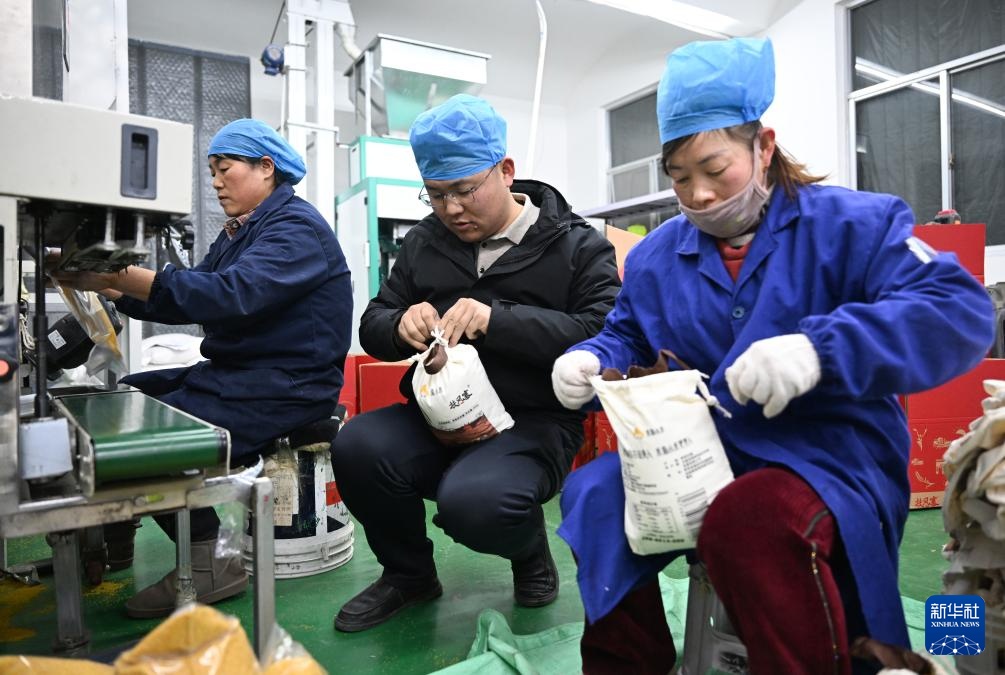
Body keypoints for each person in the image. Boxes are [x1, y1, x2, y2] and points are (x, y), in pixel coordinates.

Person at [551, 37, 995, 675]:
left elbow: (957, 309)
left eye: (715, 168)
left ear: (763, 146)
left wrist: (822, 349)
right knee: (593, 492)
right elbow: (628, 333)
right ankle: (630, 661)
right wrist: (594, 357)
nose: (699, 195)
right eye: (679, 177)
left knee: (751, 519)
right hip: (705, 450)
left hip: (830, 455)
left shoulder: (853, 225)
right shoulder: (655, 257)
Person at [331, 94, 621, 633]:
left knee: (477, 505)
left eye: (465, 190)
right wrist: (399, 325)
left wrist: (498, 320)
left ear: (505, 171)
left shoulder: (577, 246)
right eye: (436, 194)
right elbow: (374, 321)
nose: (451, 209)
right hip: (437, 415)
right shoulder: (425, 242)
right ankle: (409, 575)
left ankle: (528, 549)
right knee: (357, 446)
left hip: (532, 422)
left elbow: (603, 333)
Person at [53, 119, 353, 618]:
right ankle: (115, 533)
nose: (215, 182)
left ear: (265, 167)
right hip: (240, 377)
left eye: (223, 168)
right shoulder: (243, 232)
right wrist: (114, 288)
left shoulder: (295, 228)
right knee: (125, 395)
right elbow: (193, 292)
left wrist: (119, 275)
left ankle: (211, 561)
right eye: (211, 171)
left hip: (285, 387)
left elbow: (230, 294)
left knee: (145, 433)